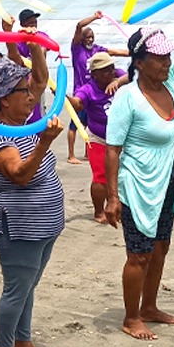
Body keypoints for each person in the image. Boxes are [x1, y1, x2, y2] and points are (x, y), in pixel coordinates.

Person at [0, 52, 64, 347]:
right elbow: (20, 175)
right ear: (3, 100)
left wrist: (35, 46)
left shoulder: (21, 126)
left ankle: (22, 343)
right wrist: (44, 143)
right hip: (18, 227)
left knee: (27, 286)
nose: (31, 96)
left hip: (41, 225)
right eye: (23, 91)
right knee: (17, 288)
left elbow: (40, 79)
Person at [104, 29, 174, 339]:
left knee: (160, 247)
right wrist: (112, 198)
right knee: (139, 254)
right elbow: (112, 150)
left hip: (167, 183)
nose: (167, 62)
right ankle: (131, 318)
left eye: (168, 56)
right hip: (138, 186)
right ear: (139, 62)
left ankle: (150, 307)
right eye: (159, 57)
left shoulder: (171, 83)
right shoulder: (127, 97)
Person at [68, 51, 121, 223]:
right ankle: (99, 212)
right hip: (98, 137)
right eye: (105, 70)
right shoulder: (89, 89)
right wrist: (63, 96)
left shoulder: (118, 75)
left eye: (111, 68)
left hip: (121, 137)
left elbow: (134, 75)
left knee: (122, 175)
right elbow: (77, 103)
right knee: (100, 176)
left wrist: (118, 81)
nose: (111, 72)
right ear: (95, 74)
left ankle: (119, 207)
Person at [71, 11, 128, 164]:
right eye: (87, 37)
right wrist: (95, 17)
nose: (90, 40)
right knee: (76, 125)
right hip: (82, 93)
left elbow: (117, 54)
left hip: (117, 134)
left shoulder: (98, 50)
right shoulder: (77, 49)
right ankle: (71, 154)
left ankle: (87, 152)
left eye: (92, 37)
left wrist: (137, 54)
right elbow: (79, 26)